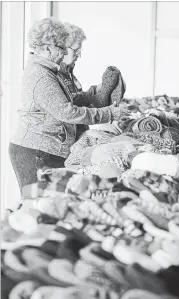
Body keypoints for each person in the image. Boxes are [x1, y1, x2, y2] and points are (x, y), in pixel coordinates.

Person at [9, 17, 131, 194]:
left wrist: (95, 93)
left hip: (45, 149)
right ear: (47, 47)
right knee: (38, 204)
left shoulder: (50, 71)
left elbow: (68, 101)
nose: (64, 53)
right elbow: (67, 112)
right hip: (36, 151)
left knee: (52, 201)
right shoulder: (42, 76)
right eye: (61, 48)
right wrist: (108, 114)